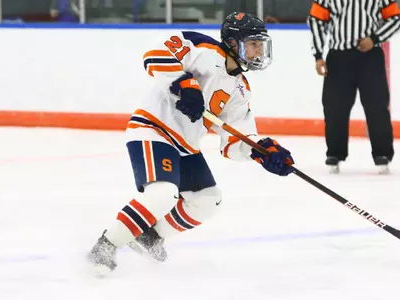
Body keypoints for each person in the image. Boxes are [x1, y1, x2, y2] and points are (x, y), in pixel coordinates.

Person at [87, 12, 295, 276]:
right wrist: (184, 82)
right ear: (233, 42)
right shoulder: (203, 50)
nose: (258, 51)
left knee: (207, 200)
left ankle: (148, 236)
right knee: (162, 194)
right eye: (253, 44)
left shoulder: (241, 89)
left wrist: (263, 151)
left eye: (260, 45)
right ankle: (104, 247)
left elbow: (234, 141)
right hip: (154, 129)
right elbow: (154, 54)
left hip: (185, 145)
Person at [307, 0, 400, 174]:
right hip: (338, 58)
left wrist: (374, 39)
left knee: (377, 106)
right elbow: (316, 20)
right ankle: (335, 153)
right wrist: (318, 55)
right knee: (334, 107)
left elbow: (396, 19)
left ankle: (382, 154)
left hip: (370, 57)